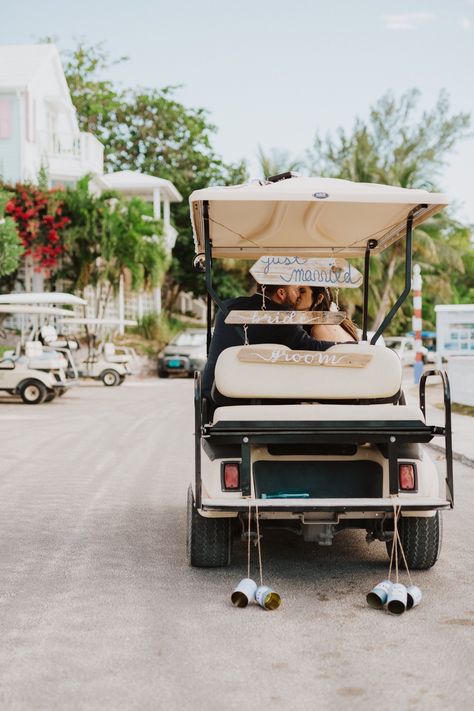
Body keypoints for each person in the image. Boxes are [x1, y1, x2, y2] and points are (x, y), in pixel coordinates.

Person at [202, 284, 338, 399]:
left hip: (213, 393)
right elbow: (310, 347)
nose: (298, 296)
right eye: (296, 290)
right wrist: (349, 346)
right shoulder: (282, 316)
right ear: (281, 293)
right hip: (246, 396)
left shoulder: (227, 306)